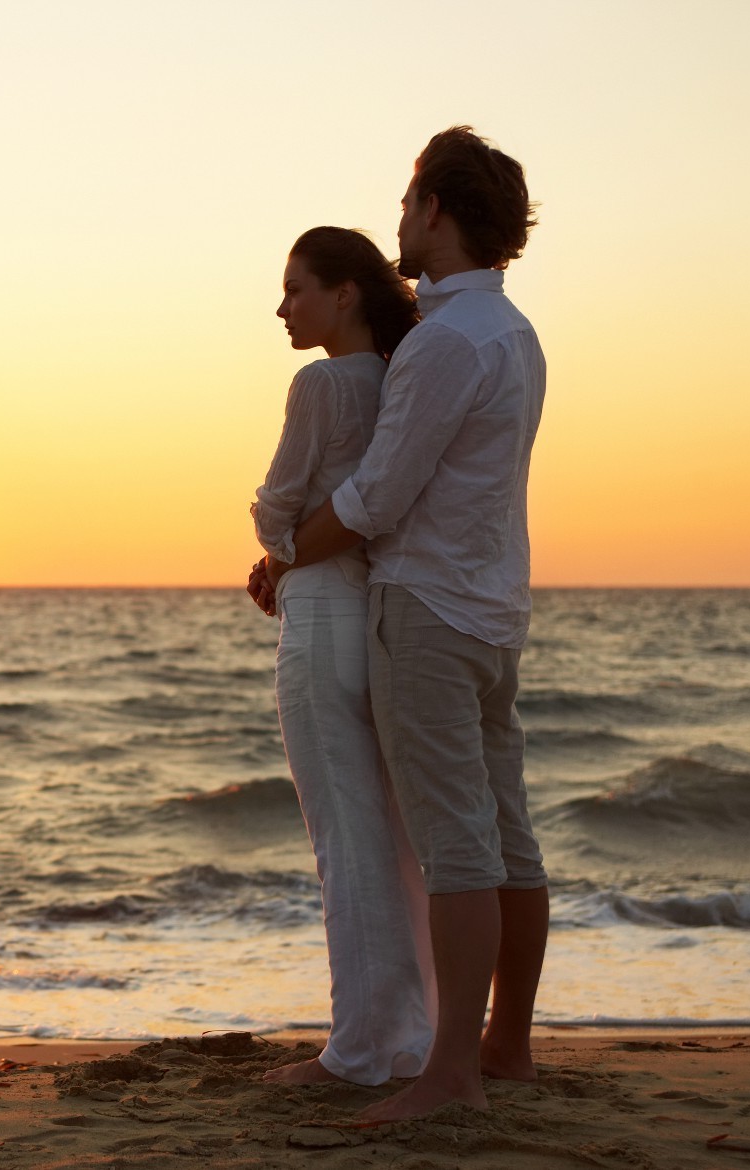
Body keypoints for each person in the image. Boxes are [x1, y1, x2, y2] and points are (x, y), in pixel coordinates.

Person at [263, 126, 548, 1120]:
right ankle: (506, 1048)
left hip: (426, 610)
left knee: (456, 847)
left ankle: (452, 1073)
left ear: (434, 209)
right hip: (495, 609)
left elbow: (379, 496)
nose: (395, 222)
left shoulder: (443, 344)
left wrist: (284, 555)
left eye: (406, 200)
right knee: (507, 840)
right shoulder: (514, 335)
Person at [243, 227, 435, 1087]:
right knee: (388, 839)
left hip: (319, 623)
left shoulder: (320, 383)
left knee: (345, 845)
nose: (282, 307)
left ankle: (358, 1050)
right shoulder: (399, 380)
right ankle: (406, 1037)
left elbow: (278, 505)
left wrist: (275, 550)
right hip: (373, 618)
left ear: (346, 293)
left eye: (296, 289)